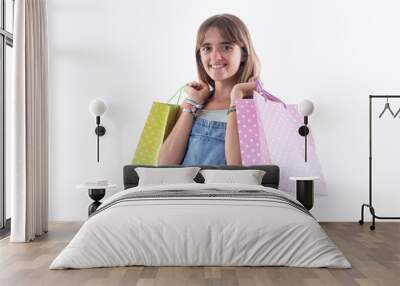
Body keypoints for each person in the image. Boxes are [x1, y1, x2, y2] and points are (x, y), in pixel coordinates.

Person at [158, 14, 260, 166]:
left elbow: (238, 170)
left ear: (244, 54)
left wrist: (236, 97)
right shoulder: (191, 106)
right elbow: (164, 166)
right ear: (199, 55)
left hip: (227, 190)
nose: (216, 57)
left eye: (226, 47)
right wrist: (192, 103)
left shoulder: (255, 107)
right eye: (207, 48)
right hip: (186, 190)